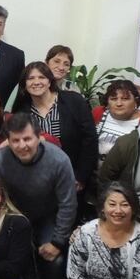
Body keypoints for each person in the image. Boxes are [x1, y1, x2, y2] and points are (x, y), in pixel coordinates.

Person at [0, 113, 77, 279]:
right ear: (8, 140)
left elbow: (68, 203)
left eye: (27, 139)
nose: (22, 145)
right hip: (12, 215)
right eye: (15, 140)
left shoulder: (59, 160)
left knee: (54, 261)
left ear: (39, 137)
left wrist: (57, 241)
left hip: (47, 215)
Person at [12, 61, 98, 195]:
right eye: (30, 78)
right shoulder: (21, 112)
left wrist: (81, 176)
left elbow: (90, 139)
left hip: (73, 176)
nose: (36, 82)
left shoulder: (73, 101)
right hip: (37, 181)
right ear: (24, 84)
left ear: (49, 81)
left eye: (41, 77)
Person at [93, 79, 140, 167]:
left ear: (136, 101)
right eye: (114, 99)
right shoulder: (98, 112)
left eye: (125, 99)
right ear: (107, 101)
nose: (119, 103)